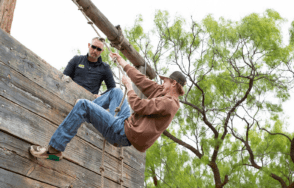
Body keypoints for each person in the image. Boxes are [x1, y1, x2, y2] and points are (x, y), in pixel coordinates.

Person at [29, 52, 186, 159]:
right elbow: (141, 79)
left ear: (173, 83)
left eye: (165, 81)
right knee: (116, 92)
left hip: (123, 133)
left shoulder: (169, 103)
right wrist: (121, 61)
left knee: (83, 105)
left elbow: (139, 106)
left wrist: (129, 87)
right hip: (125, 123)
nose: (162, 83)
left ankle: (54, 151)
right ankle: (85, 112)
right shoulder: (162, 92)